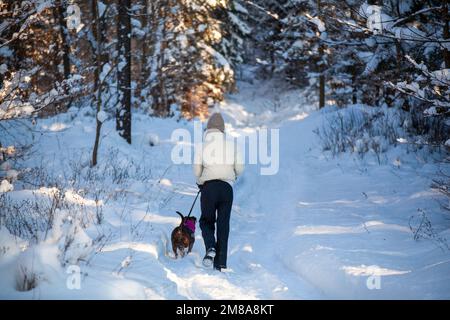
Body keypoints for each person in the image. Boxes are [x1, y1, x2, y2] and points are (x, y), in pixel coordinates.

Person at [193, 112, 244, 271]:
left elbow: (196, 170)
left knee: (206, 221)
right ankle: (221, 262)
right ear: (222, 129)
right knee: (223, 225)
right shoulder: (233, 145)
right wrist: (232, 176)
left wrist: (201, 180)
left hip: (209, 189)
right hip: (226, 189)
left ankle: (210, 248)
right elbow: (240, 168)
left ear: (208, 129)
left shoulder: (202, 146)